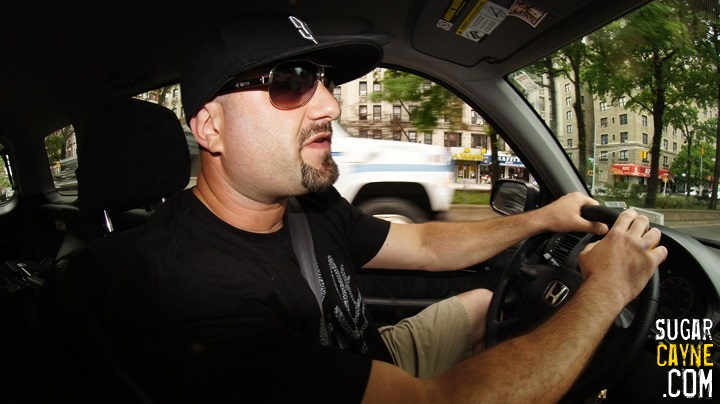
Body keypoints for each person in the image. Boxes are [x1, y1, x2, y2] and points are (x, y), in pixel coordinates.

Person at [105, 10, 667, 403]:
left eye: (323, 81)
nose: (330, 105)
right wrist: (607, 290)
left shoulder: (307, 203)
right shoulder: (195, 292)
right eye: (290, 82)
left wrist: (543, 217)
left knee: (483, 302)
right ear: (211, 128)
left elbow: (420, 243)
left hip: (369, 358)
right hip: (367, 386)